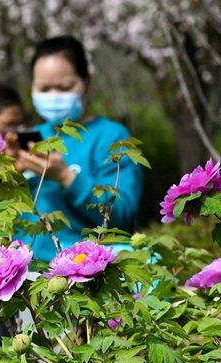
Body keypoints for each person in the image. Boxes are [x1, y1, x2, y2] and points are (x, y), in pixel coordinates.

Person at [9, 36, 143, 262]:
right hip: (28, 267)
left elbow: (122, 215)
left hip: (87, 267)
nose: (53, 96)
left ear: (87, 83)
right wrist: (8, 176)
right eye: (43, 88)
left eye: (64, 87)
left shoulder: (112, 137)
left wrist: (66, 177)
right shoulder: (31, 136)